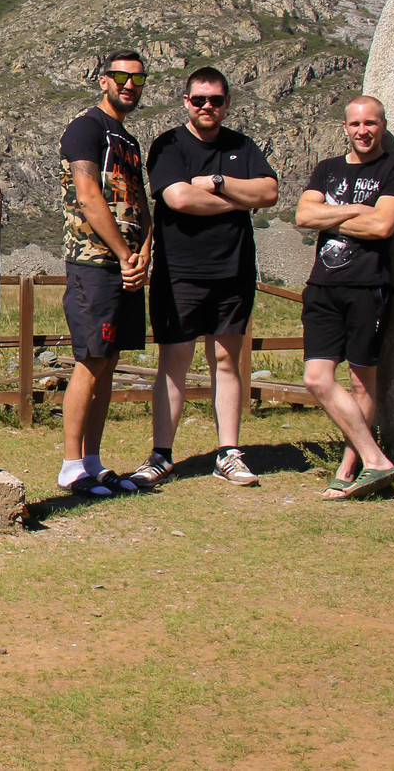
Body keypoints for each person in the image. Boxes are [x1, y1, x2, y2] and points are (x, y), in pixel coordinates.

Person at [130, 67, 279, 489]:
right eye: (199, 100)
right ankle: (161, 454)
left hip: (233, 271)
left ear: (227, 102)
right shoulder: (169, 145)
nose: (207, 106)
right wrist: (238, 200)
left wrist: (215, 183)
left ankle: (228, 453)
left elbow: (268, 193)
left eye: (215, 100)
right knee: (173, 364)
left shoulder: (242, 146)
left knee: (227, 362)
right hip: (180, 274)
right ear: (186, 102)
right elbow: (177, 198)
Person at [294, 95, 394, 501]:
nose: (363, 130)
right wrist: (358, 208)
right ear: (344, 128)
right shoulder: (328, 169)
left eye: (371, 123)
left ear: (382, 126)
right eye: (356, 124)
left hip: (369, 287)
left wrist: (334, 211)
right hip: (323, 286)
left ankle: (350, 467)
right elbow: (304, 217)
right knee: (316, 378)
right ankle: (376, 459)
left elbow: (383, 227)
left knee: (363, 381)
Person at [56, 49, 152, 497]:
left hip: (127, 266)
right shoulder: (86, 128)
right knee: (90, 360)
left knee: (109, 363)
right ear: (103, 81)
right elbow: (89, 194)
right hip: (94, 262)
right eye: (120, 76)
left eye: (137, 78)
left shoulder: (128, 140)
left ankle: (93, 461)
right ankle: (71, 466)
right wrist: (123, 253)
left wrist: (144, 254)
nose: (129, 85)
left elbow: (141, 202)